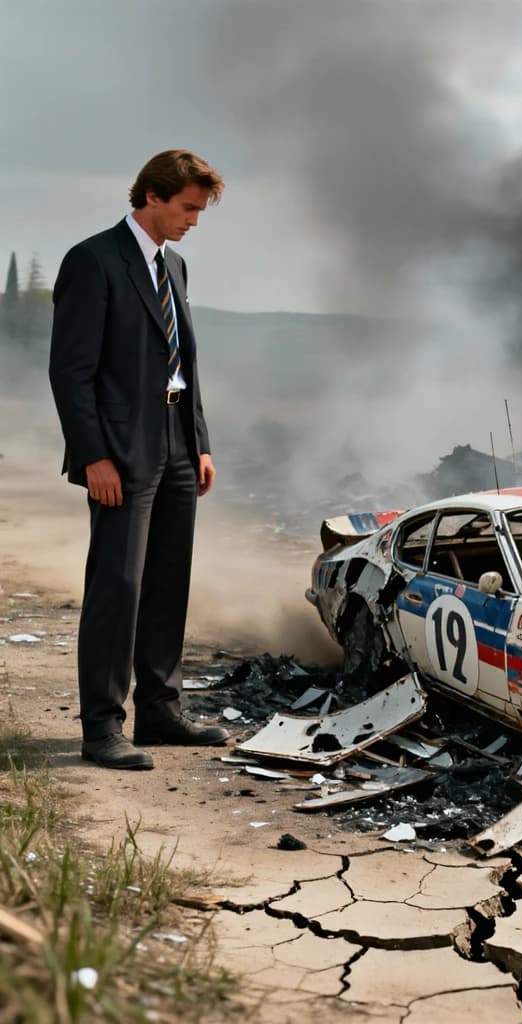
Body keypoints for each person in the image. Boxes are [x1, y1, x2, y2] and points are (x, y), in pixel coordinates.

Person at [49, 150, 229, 770]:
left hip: (177, 443)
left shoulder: (173, 264)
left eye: (199, 211)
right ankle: (102, 727)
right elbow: (71, 373)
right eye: (187, 208)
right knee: (118, 585)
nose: (194, 221)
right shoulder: (93, 260)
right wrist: (94, 457)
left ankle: (160, 711)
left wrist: (199, 441)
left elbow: (185, 361)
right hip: (122, 451)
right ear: (152, 196)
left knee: (168, 579)